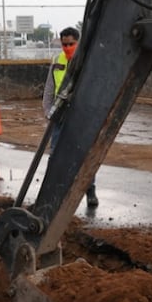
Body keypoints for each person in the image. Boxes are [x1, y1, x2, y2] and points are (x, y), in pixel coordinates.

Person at [43, 27, 98, 208]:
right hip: (60, 116)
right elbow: (49, 90)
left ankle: (89, 190)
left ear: (78, 43)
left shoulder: (86, 62)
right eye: (64, 44)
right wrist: (48, 111)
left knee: (84, 154)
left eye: (71, 44)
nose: (67, 47)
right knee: (55, 154)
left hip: (81, 115)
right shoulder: (57, 61)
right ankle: (53, 192)